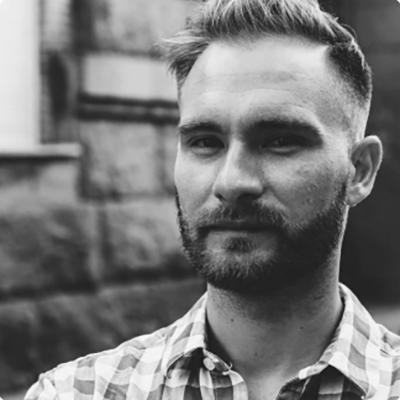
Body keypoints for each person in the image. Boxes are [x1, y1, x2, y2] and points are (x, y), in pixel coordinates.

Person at [26, 0, 400, 399]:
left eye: (280, 141)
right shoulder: (79, 392)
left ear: (359, 171)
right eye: (205, 142)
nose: (232, 181)